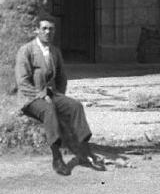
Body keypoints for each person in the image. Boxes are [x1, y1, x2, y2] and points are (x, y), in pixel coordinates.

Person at [14, 17, 105, 176]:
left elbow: (61, 77)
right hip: (30, 98)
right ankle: (57, 158)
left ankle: (85, 151)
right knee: (49, 109)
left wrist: (59, 97)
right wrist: (41, 96)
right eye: (44, 28)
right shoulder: (26, 50)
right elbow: (22, 81)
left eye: (51, 29)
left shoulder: (55, 51)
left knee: (75, 106)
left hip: (52, 94)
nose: (48, 32)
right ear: (37, 30)